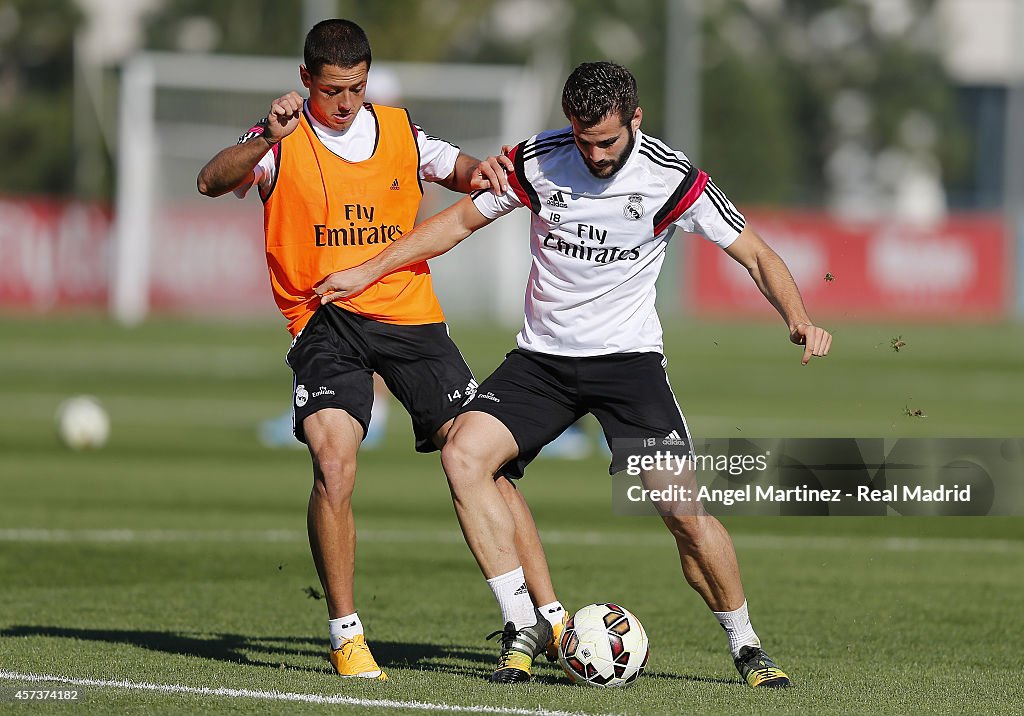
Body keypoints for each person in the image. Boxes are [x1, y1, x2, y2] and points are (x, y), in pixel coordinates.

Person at [315, 61, 833, 687]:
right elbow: (453, 225)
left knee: (684, 513)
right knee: (463, 455)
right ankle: (520, 624)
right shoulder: (536, 162)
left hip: (629, 367)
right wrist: (367, 270)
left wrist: (798, 317)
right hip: (543, 363)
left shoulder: (672, 178)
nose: (594, 154)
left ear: (635, 121)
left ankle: (746, 644)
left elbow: (754, 252)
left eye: (608, 141)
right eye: (584, 141)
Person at [196, 19, 566, 681]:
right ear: (306, 80)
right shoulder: (279, 138)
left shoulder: (397, 127)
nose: (346, 103)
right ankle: (346, 634)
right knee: (333, 465)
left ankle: (549, 618)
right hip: (324, 323)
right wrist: (261, 140)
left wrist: (478, 172)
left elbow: (453, 168)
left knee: (481, 459)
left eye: (357, 89)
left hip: (410, 318)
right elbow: (210, 181)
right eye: (334, 89)